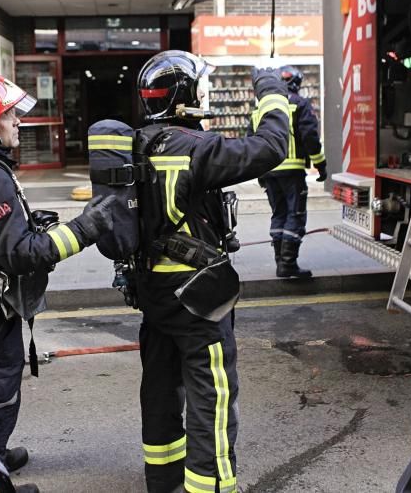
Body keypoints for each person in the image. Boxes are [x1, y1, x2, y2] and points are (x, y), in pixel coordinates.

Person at [0, 72, 113, 493]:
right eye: (8, 115)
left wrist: (25, 225)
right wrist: (85, 228)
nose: (18, 121)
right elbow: (20, 255)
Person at [132, 51, 289, 493]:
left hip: (152, 290)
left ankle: (163, 478)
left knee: (160, 385)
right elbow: (272, 147)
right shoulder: (194, 147)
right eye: (201, 85)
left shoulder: (136, 143)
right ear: (184, 95)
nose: (207, 92)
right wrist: (270, 88)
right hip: (196, 297)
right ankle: (211, 485)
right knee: (211, 395)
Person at [252, 65, 326, 279]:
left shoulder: (260, 108)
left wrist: (257, 172)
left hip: (269, 171)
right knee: (295, 215)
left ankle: (280, 262)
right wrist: (321, 164)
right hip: (292, 172)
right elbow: (310, 137)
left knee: (278, 214)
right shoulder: (299, 104)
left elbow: (251, 141)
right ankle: (288, 263)